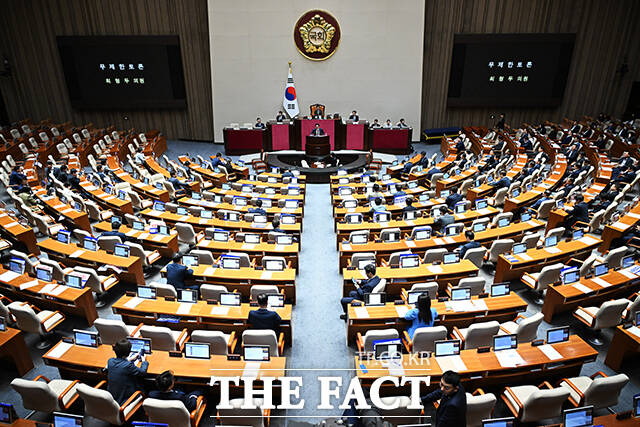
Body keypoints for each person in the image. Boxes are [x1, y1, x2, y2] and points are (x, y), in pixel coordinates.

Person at [107, 339, 148, 405]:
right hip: (125, 399)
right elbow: (143, 372)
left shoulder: (110, 361)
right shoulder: (128, 366)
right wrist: (144, 362)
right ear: (128, 352)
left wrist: (129, 359)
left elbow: (120, 364)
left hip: (113, 396)